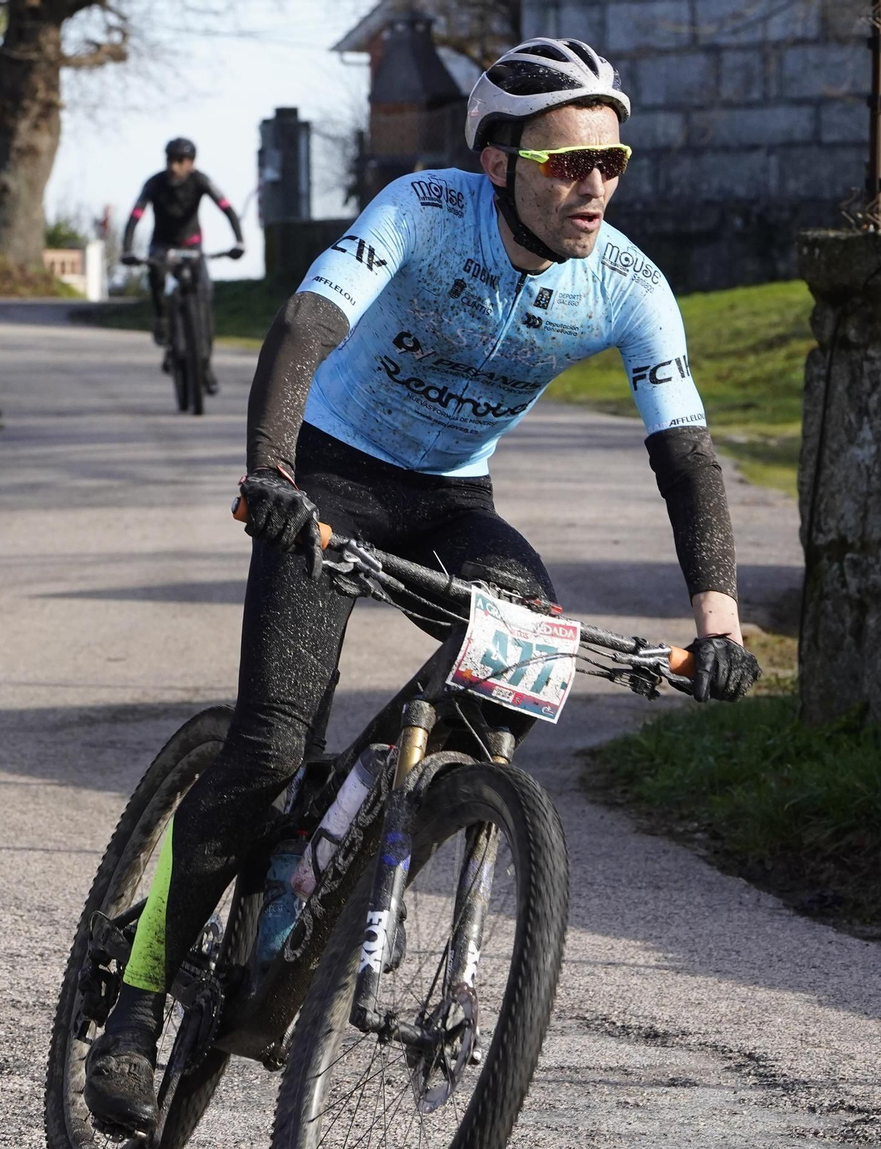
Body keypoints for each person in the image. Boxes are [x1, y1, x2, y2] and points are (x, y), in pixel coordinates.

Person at [83, 37, 762, 1134]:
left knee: (523, 662)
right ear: (497, 162)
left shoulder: (627, 283)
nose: (591, 184)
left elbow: (683, 453)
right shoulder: (423, 207)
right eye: (563, 163)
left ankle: (364, 814)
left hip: (451, 501)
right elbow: (305, 325)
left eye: (610, 162)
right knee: (264, 748)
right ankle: (140, 1005)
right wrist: (272, 474)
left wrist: (715, 624)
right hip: (330, 477)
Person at [120, 137, 246, 391]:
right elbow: (136, 215)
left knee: (204, 299)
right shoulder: (154, 183)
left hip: (192, 245)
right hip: (162, 245)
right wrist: (127, 249)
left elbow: (227, 209)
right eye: (170, 160)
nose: (174, 166)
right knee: (156, 275)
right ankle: (162, 321)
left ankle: (205, 367)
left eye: (180, 161)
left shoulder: (201, 180)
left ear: (191, 163)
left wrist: (239, 241)